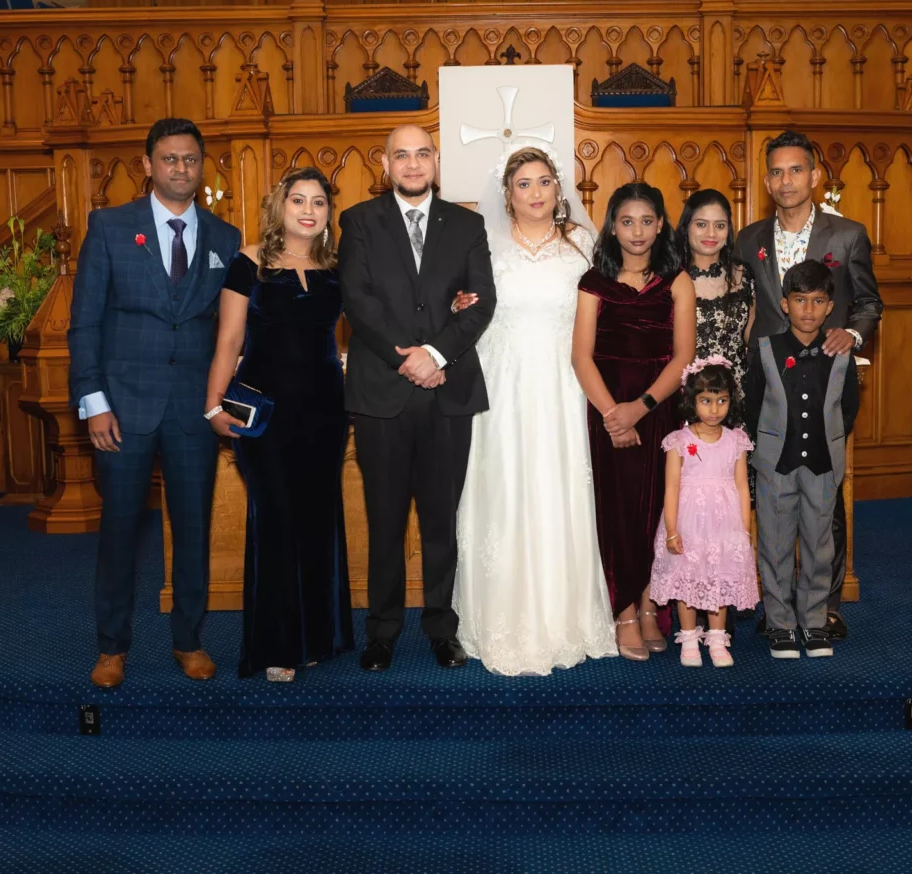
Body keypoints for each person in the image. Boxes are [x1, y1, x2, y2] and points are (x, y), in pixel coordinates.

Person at [69, 118, 243, 689]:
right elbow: (86, 321)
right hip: (123, 409)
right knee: (119, 529)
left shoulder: (223, 237)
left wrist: (232, 395)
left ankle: (188, 640)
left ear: (201, 166)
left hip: (196, 410)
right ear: (147, 165)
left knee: (193, 529)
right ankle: (111, 646)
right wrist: (93, 402)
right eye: (168, 159)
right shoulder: (111, 228)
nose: (180, 169)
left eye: (190, 160)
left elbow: (235, 328)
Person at [338, 123, 496, 673]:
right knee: (383, 519)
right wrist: (407, 358)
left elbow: (481, 303)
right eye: (400, 156)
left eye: (422, 153)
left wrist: (436, 353)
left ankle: (440, 628)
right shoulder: (358, 222)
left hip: (446, 393)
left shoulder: (468, 224)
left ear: (435, 161)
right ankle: (380, 632)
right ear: (384, 165)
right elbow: (357, 301)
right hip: (382, 391)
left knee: (439, 520)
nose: (411, 164)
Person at [454, 146, 617, 676]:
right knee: (503, 491)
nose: (536, 193)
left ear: (558, 188)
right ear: (508, 193)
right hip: (502, 389)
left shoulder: (584, 246)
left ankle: (563, 616)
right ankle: (498, 615)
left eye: (544, 181)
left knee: (559, 490)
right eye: (523, 184)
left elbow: (607, 318)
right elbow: (462, 305)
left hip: (563, 388)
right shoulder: (483, 246)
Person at [204, 168, 353, 682]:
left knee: (317, 518)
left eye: (318, 202)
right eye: (298, 200)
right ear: (280, 207)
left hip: (326, 411)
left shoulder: (336, 267)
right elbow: (227, 340)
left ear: (329, 214)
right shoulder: (251, 262)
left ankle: (318, 636)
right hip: (264, 411)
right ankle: (277, 645)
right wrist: (212, 407)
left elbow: (376, 322)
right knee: (276, 520)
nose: (308, 210)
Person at [735, 130, 881, 641]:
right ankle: (774, 605)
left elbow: (868, 301)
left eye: (796, 170)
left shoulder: (847, 235)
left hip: (827, 376)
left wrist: (853, 332)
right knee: (772, 494)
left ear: (815, 176)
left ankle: (828, 606)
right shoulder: (748, 239)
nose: (785, 180)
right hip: (770, 379)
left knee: (826, 492)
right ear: (767, 179)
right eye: (776, 171)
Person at [572, 183, 696, 661]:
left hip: (657, 405)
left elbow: (684, 355)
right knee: (618, 507)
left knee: (654, 509)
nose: (638, 231)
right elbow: (581, 358)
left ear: (661, 225)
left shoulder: (676, 281)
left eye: (647, 221)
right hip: (607, 406)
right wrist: (612, 415)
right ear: (612, 226)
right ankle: (622, 609)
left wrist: (639, 408)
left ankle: (649, 607)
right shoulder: (592, 282)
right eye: (627, 221)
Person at [743, 260, 859, 661]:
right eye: (799, 300)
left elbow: (848, 409)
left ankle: (813, 622)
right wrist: (763, 452)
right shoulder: (764, 351)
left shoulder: (840, 354)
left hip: (823, 468)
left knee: (818, 545)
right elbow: (753, 407)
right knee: (774, 546)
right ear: (784, 303)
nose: (808, 310)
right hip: (776, 465)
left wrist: (831, 444)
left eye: (817, 301)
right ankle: (779, 624)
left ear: (830, 307)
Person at [650, 358, 757, 668]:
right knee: (688, 578)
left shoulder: (736, 440)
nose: (714, 409)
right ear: (692, 401)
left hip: (725, 523)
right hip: (689, 522)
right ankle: (689, 637)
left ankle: (717, 637)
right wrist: (672, 530)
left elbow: (741, 487)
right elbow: (671, 488)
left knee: (718, 577)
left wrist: (744, 530)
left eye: (722, 400)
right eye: (706, 401)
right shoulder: (679, 441)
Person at [678, 189, 754, 373]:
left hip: (736, 391)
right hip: (684, 391)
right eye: (701, 224)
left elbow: (752, 337)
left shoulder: (743, 274)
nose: (711, 234)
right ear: (686, 227)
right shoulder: (670, 278)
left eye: (720, 226)